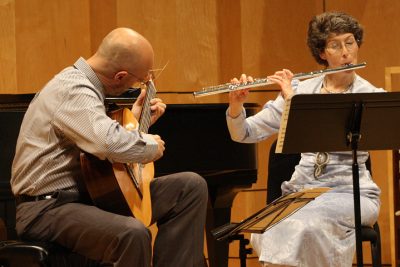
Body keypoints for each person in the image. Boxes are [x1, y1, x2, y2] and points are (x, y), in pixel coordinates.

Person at [11, 27, 208, 267]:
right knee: (132, 234)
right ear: (120, 76)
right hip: (46, 209)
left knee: (188, 187)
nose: (136, 86)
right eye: (137, 81)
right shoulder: (73, 89)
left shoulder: (87, 88)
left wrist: (134, 120)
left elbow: (97, 141)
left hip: (84, 199)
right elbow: (107, 143)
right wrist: (150, 146)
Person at [226, 12, 384, 267]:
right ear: (322, 53)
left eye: (350, 42)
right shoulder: (300, 88)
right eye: (335, 45)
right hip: (301, 191)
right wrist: (236, 106)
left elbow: (327, 132)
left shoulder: (371, 96)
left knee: (305, 224)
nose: (345, 52)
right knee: (271, 225)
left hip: (351, 193)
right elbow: (243, 133)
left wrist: (293, 103)